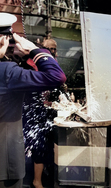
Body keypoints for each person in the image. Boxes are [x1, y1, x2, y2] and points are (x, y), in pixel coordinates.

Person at [0, 13, 66, 188]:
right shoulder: (7, 72)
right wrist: (35, 50)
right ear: (4, 41)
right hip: (4, 164)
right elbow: (56, 76)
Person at [23, 38, 59, 188]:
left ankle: (42, 174)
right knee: (40, 146)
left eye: (53, 49)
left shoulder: (53, 65)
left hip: (48, 114)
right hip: (35, 114)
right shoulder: (31, 66)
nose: (50, 51)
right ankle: (36, 181)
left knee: (46, 146)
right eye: (47, 48)